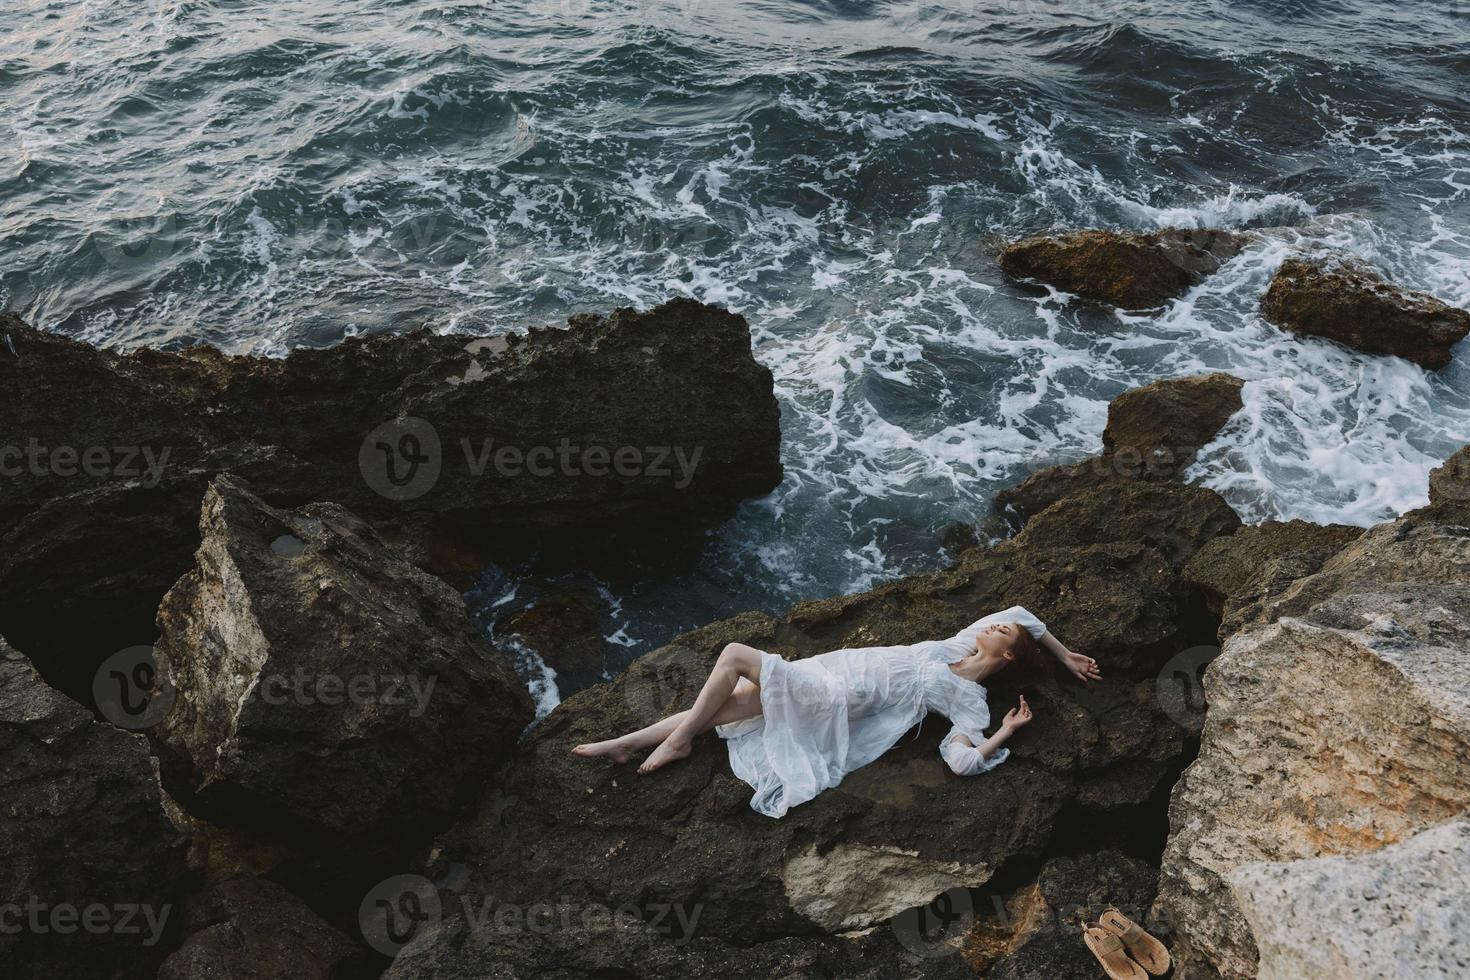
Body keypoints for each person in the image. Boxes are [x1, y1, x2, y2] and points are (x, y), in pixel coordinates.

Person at [572, 605, 1101, 818]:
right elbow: (1022, 613)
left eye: (999, 633)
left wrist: (1000, 735)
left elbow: (958, 760)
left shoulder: (970, 699)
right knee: (730, 706)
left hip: (835, 699)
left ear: (1006, 656)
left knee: (734, 655)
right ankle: (628, 742)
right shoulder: (953, 646)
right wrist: (1063, 652)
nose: (990, 624)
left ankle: (679, 740)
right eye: (992, 624)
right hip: (827, 670)